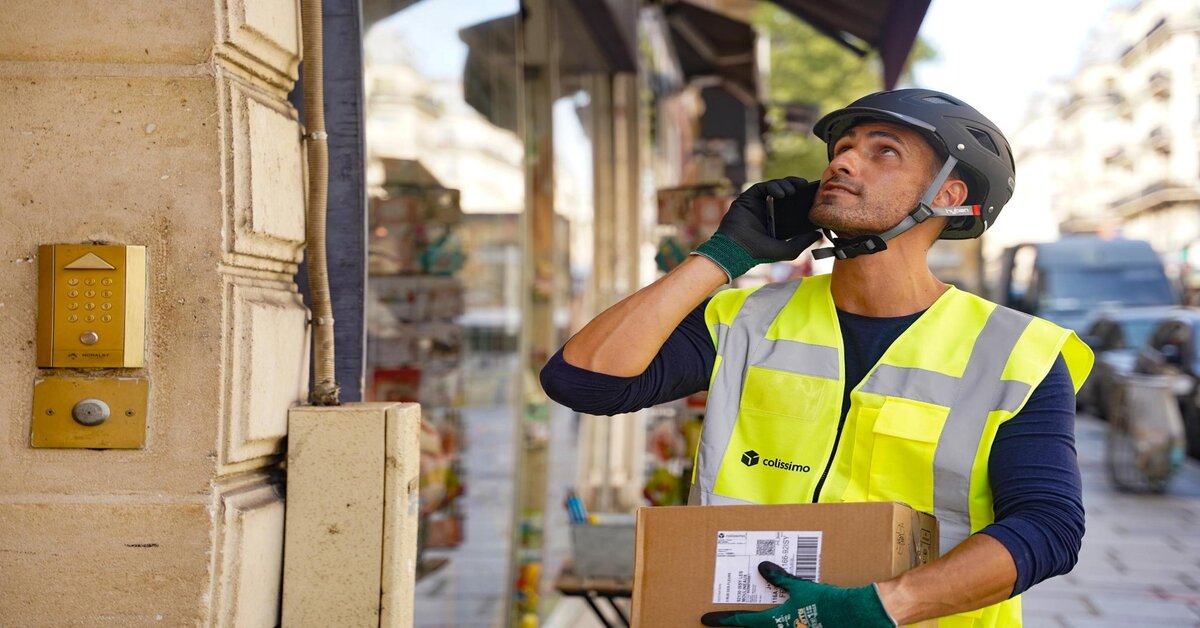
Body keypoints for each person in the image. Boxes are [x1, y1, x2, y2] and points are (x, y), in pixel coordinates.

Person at [540, 89, 1093, 627]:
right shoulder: (745, 319)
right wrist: (723, 255)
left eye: (883, 151)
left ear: (949, 196)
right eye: (841, 148)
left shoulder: (1021, 353)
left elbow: (1048, 528)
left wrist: (882, 607)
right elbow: (584, 382)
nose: (844, 161)